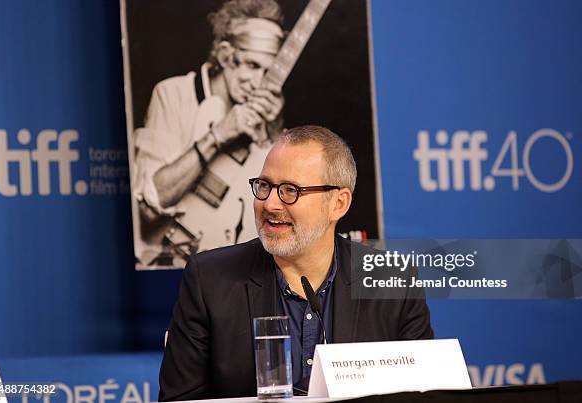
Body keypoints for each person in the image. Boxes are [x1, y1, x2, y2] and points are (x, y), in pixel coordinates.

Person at [159, 125, 434, 400]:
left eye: (290, 190)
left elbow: (424, 395)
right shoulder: (210, 280)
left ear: (338, 204)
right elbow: (180, 401)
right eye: (265, 186)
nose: (270, 204)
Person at [133, 0, 287, 265]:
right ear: (226, 55)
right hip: (171, 269)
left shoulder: (266, 111)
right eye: (251, 65)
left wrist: (274, 135)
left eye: (268, 70)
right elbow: (148, 209)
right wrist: (217, 136)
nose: (259, 83)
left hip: (237, 276)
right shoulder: (173, 94)